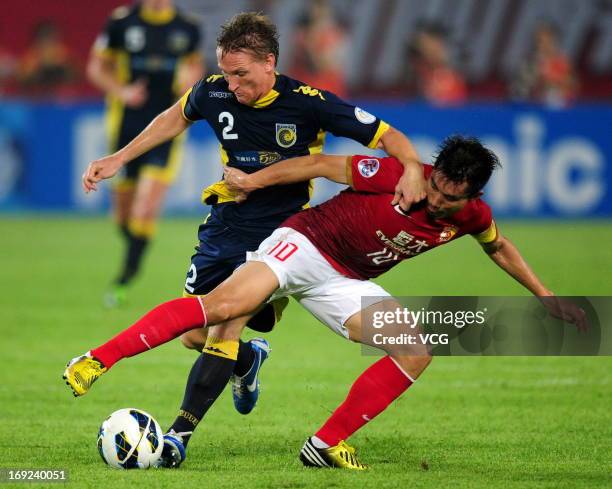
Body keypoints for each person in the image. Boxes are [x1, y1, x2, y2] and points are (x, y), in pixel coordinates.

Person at [64, 136, 586, 470]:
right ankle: (96, 359)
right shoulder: (395, 175)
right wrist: (252, 180)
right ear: (432, 171)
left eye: (451, 199)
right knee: (215, 314)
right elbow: (318, 163)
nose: (437, 201)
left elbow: (499, 247)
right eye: (436, 188)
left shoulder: (471, 215)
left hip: (345, 281)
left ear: (472, 195)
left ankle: (324, 444)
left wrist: (547, 297)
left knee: (415, 349)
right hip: (304, 245)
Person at [69, 11, 426, 464]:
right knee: (194, 336)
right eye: (226, 73)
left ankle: (179, 436)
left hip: (284, 236)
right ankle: (246, 363)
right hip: (225, 225)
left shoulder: (308, 102)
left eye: (241, 74)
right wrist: (119, 157)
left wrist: (412, 168)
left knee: (225, 324)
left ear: (268, 63)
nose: (233, 84)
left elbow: (386, 135)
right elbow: (175, 118)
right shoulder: (213, 90)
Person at [86, 0, 204, 307]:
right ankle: (133, 256)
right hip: (126, 127)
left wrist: (188, 81)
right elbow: (96, 68)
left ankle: (126, 275)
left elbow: (195, 68)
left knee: (147, 205)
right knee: (123, 215)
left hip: (168, 128)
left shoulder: (187, 27)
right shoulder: (123, 22)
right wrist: (121, 91)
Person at [511, 21, 577, 108]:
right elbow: (519, 91)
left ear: (554, 41)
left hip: (562, 110)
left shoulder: (562, 62)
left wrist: (554, 82)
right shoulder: (529, 63)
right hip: (536, 109)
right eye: (540, 40)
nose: (544, 44)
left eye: (548, 40)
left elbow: (572, 86)